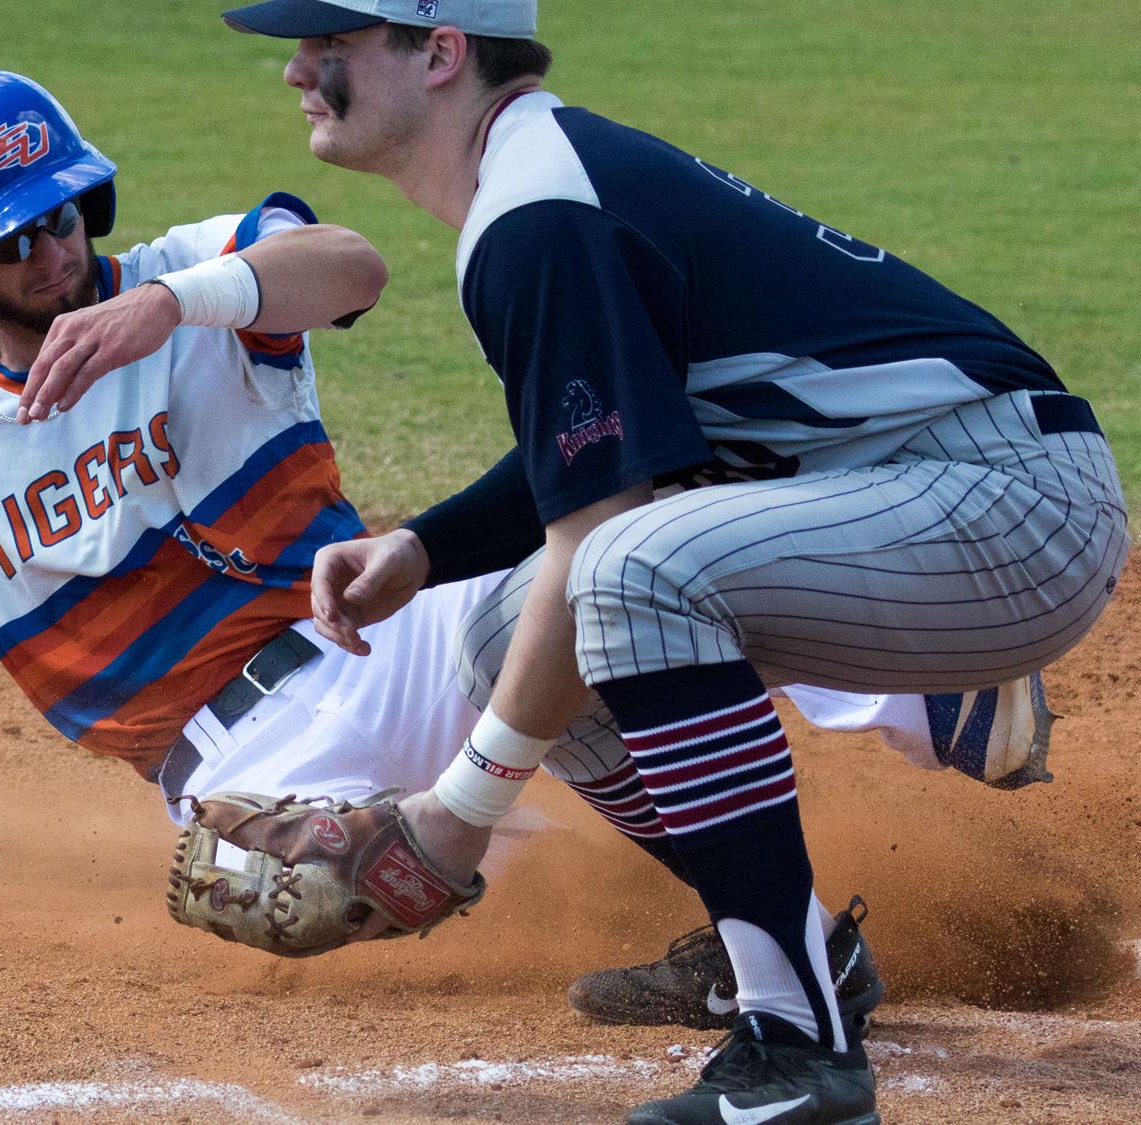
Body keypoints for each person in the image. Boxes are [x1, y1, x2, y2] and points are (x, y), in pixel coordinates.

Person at [0, 64, 1044, 1072]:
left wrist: (180, 306)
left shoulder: (193, 279)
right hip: (247, 768)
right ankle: (780, 950)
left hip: (386, 630)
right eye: (10, 242)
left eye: (64, 216)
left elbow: (349, 265)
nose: (53, 254)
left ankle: (933, 703)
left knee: (596, 577)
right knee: (360, 884)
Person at [218, 2, 1127, 1123]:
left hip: (1006, 510)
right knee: (507, 631)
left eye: (333, 46)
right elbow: (628, 442)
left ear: (439, 53)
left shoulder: (537, 214)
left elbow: (603, 526)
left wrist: (450, 817)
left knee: (624, 576)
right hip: (917, 493)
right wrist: (425, 545)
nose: (297, 71)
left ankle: (798, 1054)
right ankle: (793, 958)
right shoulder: (533, 186)